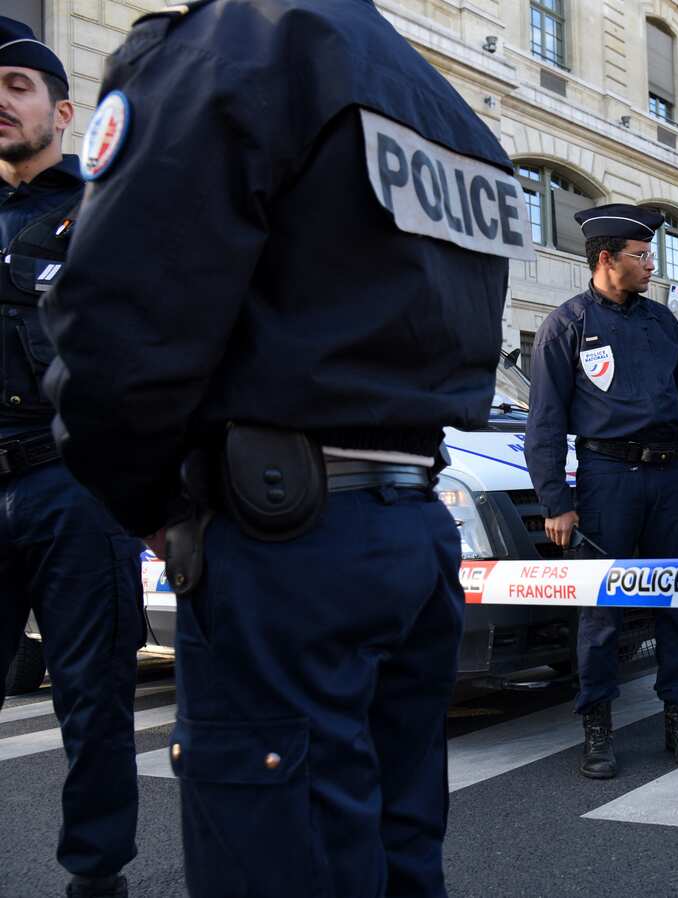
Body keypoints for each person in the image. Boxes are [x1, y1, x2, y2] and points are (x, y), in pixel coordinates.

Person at [40, 1, 523, 895]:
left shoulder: (234, 44)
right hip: (410, 531)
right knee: (397, 853)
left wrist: (151, 506)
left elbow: (115, 325)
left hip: (283, 541)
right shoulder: (447, 109)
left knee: (278, 860)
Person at [0, 19, 142, 898]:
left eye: (17, 84)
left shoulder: (103, 211)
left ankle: (97, 878)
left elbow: (146, 354)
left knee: (94, 706)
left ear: (62, 108)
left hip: (72, 488)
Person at [524, 203, 678, 779]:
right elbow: (545, 421)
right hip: (607, 481)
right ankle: (597, 727)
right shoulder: (568, 323)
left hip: (669, 479)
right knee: (602, 612)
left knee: (677, 605)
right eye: (641, 255)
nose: (653, 264)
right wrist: (556, 501)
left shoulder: (664, 324)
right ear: (606, 260)